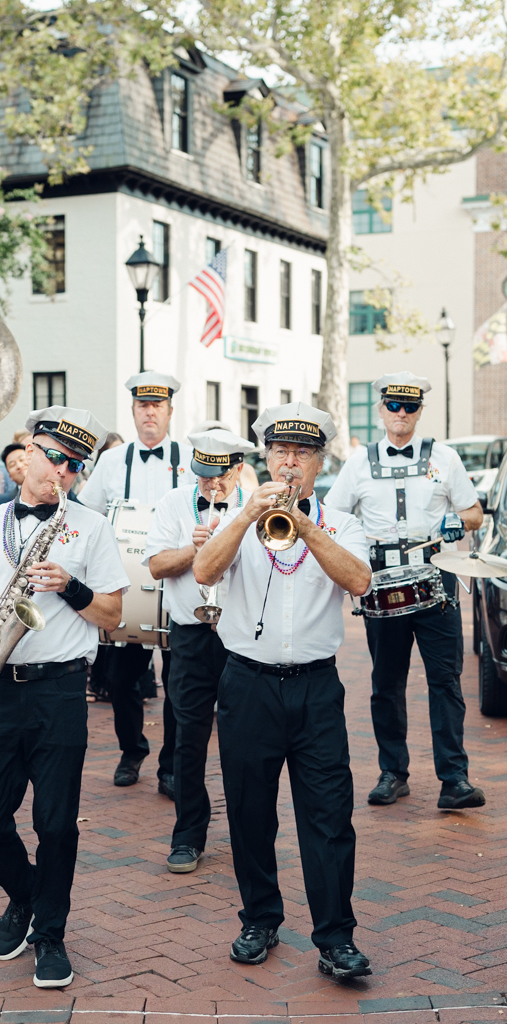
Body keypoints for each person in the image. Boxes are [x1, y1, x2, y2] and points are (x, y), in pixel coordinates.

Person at [0, 405, 128, 989]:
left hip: (61, 688)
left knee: (56, 824)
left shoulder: (89, 527)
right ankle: (27, 896)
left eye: (74, 466)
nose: (63, 473)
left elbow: (115, 616)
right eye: (55, 459)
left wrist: (70, 586)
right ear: (25, 458)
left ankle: (50, 935)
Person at [193, 401, 373, 980]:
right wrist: (246, 518)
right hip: (248, 684)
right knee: (249, 812)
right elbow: (203, 571)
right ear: (266, 457)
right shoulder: (243, 517)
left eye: (301, 453)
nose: (289, 463)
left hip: (317, 688)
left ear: (320, 462)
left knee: (328, 816)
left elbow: (359, 581)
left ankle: (336, 938)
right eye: (280, 452)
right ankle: (260, 919)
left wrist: (309, 528)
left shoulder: (340, 523)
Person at [325, 372, 485, 810]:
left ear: (419, 411)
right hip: (381, 585)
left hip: (435, 579)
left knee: (446, 682)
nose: (400, 414)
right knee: (386, 682)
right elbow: (333, 516)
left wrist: (460, 521)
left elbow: (474, 512)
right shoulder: (358, 463)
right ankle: (392, 773)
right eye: (393, 405)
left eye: (409, 407)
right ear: (380, 410)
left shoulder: (445, 458)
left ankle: (454, 779)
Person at [79, 372, 195, 792]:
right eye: (143, 406)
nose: (150, 412)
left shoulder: (191, 457)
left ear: (169, 411)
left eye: (158, 406)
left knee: (178, 680)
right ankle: (132, 750)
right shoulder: (110, 461)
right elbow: (88, 515)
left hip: (178, 580)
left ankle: (170, 765)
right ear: (132, 412)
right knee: (122, 681)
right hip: (127, 589)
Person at [144, 428, 254, 874]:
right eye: (204, 475)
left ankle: (248, 836)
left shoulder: (255, 506)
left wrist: (229, 539)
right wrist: (193, 550)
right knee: (188, 738)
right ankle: (188, 834)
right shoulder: (174, 503)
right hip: (190, 636)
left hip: (240, 635)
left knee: (243, 739)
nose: (211, 485)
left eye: (220, 476)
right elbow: (154, 565)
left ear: (239, 470)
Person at [0, 443, 29, 508]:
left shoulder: (50, 491)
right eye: (12, 465)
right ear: (10, 476)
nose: (19, 466)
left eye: (22, 459)